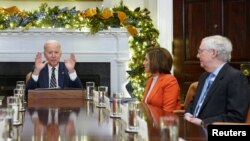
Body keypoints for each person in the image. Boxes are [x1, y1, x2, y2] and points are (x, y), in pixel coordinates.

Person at [184, 35, 250, 127]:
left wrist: (203, 123)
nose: (197, 55)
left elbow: (236, 116)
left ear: (213, 53)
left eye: (200, 51)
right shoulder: (204, 76)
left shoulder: (235, 77)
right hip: (194, 130)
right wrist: (187, 114)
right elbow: (194, 103)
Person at [141, 47, 182, 112]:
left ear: (155, 62)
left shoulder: (170, 80)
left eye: (146, 60)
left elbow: (168, 112)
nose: (143, 63)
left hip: (164, 121)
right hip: (150, 121)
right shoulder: (150, 80)